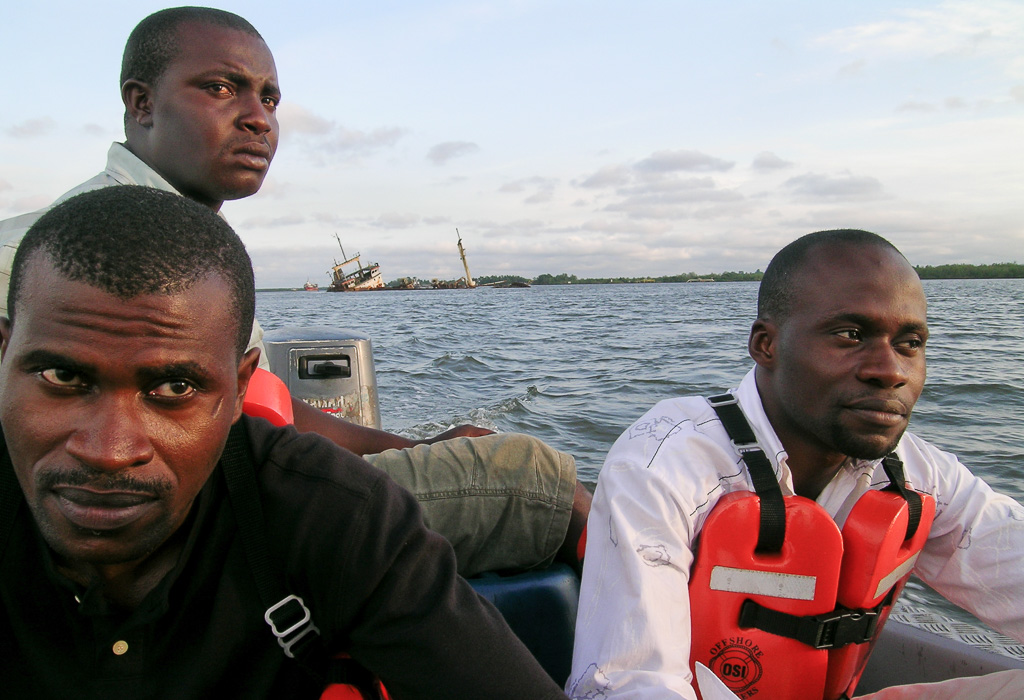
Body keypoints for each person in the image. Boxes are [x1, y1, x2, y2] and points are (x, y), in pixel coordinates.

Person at [0, 6, 589, 578]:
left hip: (254, 483)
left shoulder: (198, 249)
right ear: (142, 103)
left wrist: (414, 446)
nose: (259, 118)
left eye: (269, 98)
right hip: (198, 520)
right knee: (532, 479)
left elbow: (267, 407)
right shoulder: (57, 255)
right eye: (222, 88)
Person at [0, 185, 568, 699]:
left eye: (174, 387)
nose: (108, 449)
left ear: (240, 387)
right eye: (63, 378)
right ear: (3, 354)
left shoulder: (340, 522)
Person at [567, 229, 1024, 699]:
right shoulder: (665, 461)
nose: (890, 371)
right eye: (851, 335)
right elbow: (625, 685)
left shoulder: (916, 474)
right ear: (767, 345)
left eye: (910, 342)